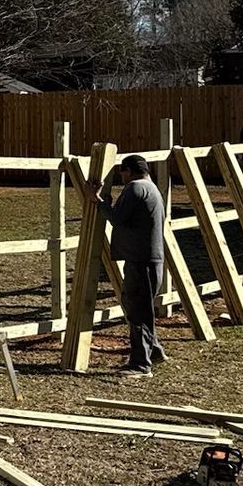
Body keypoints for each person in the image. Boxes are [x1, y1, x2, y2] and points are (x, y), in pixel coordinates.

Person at [92, 154, 166, 376]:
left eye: (122, 172)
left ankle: (140, 365)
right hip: (150, 260)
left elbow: (117, 218)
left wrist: (97, 199)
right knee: (139, 307)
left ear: (129, 170)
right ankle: (153, 350)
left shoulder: (135, 189)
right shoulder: (152, 189)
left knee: (138, 312)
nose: (121, 177)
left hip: (140, 261)